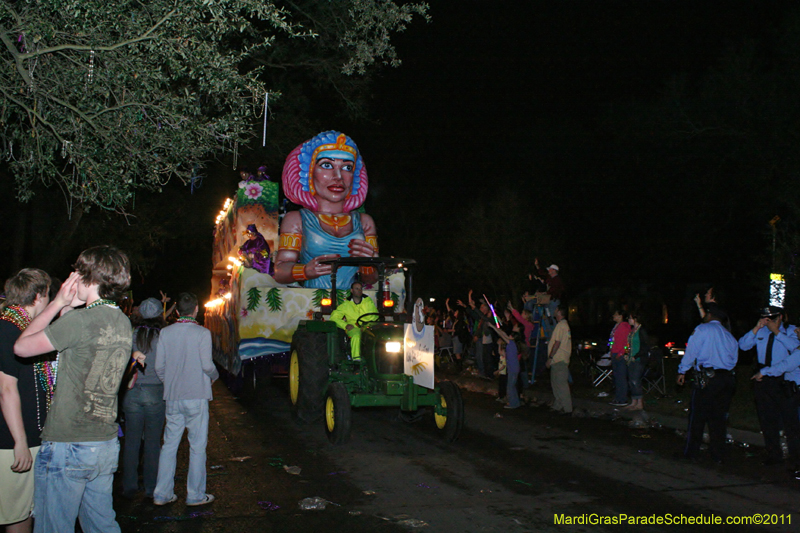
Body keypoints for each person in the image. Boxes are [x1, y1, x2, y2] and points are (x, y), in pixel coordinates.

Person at [14, 246, 133, 533]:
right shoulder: (123, 321)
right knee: (101, 525)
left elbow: (21, 347)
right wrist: (70, 308)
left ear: (86, 276)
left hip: (69, 442)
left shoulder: (79, 322)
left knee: (54, 527)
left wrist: (55, 303)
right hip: (103, 442)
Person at [274, 131, 378, 289]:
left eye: (347, 167)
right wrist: (305, 271)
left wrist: (368, 264)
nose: (338, 177)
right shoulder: (297, 219)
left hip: (353, 306)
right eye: (327, 165)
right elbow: (279, 271)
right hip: (310, 306)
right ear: (308, 172)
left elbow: (372, 278)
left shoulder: (365, 222)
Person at [152, 293, 218, 507]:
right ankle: (195, 495)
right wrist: (214, 377)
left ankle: (162, 493)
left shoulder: (165, 333)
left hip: (173, 397)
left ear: (177, 311)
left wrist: (169, 381)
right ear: (196, 310)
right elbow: (207, 365)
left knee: (169, 445)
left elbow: (159, 367)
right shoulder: (203, 333)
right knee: (197, 447)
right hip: (196, 396)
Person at [0, 269, 51, 533]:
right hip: (12, 443)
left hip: (29, 439)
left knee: (24, 513)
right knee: (17, 517)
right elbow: (6, 389)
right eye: (49, 294)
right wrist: (20, 442)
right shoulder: (8, 329)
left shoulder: (24, 330)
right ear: (39, 296)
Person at [738, 306, 800, 465]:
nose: (768, 321)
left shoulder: (792, 331)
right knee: (767, 419)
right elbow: (743, 345)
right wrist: (757, 327)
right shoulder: (762, 331)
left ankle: (795, 458)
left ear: (780, 317)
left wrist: (777, 332)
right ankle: (774, 455)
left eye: (771, 318)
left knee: (790, 422)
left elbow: (795, 349)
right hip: (763, 379)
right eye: (766, 318)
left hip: (784, 379)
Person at [676, 304, 738, 463]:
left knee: (698, 416)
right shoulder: (729, 335)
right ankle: (718, 454)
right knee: (718, 419)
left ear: (710, 315)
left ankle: (692, 452)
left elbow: (692, 351)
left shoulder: (703, 329)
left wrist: (683, 370)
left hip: (708, 378)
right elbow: (734, 360)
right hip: (726, 379)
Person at [121, 297, 166, 500]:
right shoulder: (162, 336)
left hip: (132, 392)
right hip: (156, 391)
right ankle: (151, 486)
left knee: (131, 440)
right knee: (152, 441)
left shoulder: (132, 334)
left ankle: (129, 484)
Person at [329, 281, 378, 360]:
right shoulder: (346, 305)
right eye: (357, 288)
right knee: (356, 336)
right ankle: (356, 361)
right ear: (352, 290)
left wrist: (367, 326)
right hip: (354, 328)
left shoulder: (368, 302)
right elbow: (334, 317)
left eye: (360, 289)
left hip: (368, 327)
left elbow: (374, 316)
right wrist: (345, 325)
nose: (359, 290)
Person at [546, 305, 572, 415]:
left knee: (561, 385)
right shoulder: (562, 325)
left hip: (559, 359)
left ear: (559, 312)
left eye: (556, 310)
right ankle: (558, 405)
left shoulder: (561, 326)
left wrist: (550, 357)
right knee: (555, 383)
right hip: (558, 360)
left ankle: (567, 408)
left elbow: (557, 343)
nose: (554, 311)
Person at [624, 313, 649, 411]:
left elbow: (645, 346)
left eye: (630, 318)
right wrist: (627, 353)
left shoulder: (641, 330)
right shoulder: (632, 331)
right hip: (630, 359)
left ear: (635, 318)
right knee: (631, 380)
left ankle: (640, 403)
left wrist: (637, 355)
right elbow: (629, 344)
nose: (628, 320)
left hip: (638, 359)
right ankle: (633, 401)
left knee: (635, 380)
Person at [608, 308, 632, 407]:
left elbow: (625, 341)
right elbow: (613, 339)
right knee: (617, 377)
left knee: (621, 377)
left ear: (620, 316)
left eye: (615, 314)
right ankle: (618, 397)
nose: (613, 316)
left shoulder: (624, 326)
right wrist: (611, 349)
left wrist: (621, 353)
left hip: (620, 354)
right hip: (614, 352)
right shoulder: (616, 326)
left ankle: (623, 399)